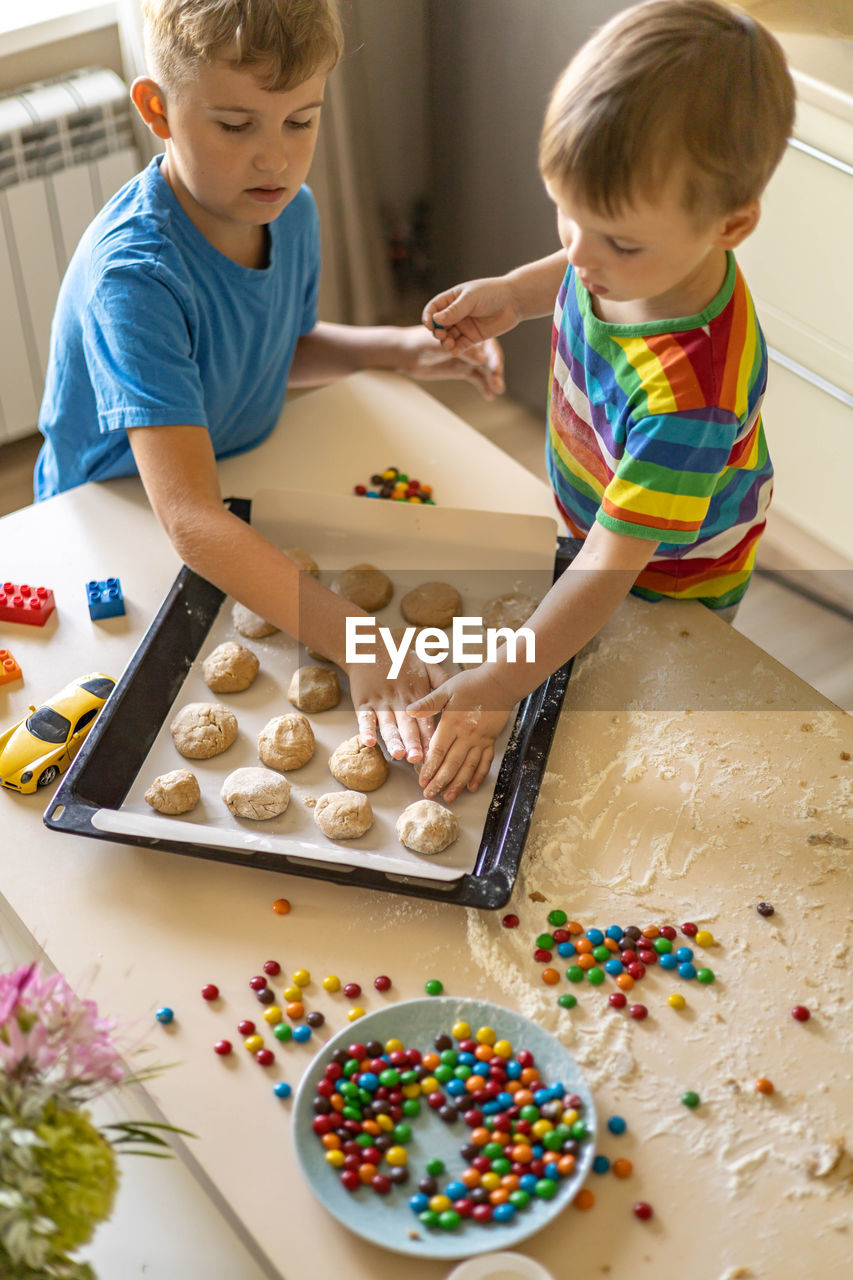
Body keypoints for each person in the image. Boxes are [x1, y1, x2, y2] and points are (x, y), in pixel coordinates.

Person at [34, 0, 503, 766]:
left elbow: (268, 350)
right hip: (117, 517)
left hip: (238, 480)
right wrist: (359, 641)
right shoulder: (135, 277)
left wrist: (400, 349)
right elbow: (187, 519)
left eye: (300, 121)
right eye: (235, 124)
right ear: (157, 108)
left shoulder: (290, 212)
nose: (275, 160)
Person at [409, 0, 795, 802]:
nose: (580, 257)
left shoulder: (690, 401)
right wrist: (518, 294)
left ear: (733, 224)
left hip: (667, 582)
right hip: (597, 520)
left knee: (620, 724)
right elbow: (583, 255)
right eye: (568, 217)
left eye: (615, 239)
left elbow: (606, 574)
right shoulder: (633, 259)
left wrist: (494, 686)